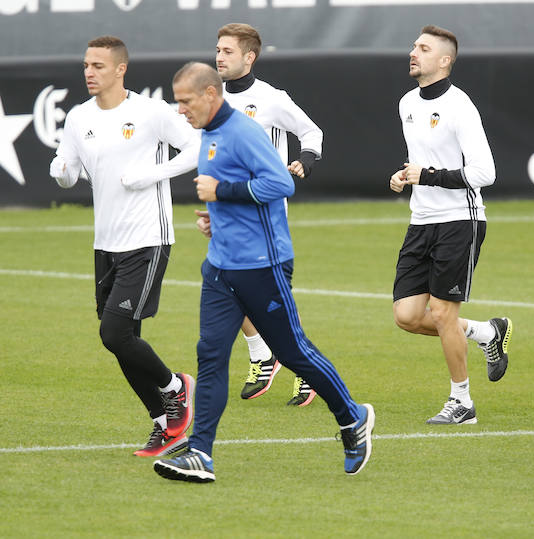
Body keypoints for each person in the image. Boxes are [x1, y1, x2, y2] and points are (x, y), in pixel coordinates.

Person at [153, 63, 373, 482]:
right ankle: (200, 453)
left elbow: (280, 184)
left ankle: (352, 417)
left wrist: (223, 193)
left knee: (293, 353)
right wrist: (216, 217)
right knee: (211, 355)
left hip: (262, 267)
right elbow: (235, 196)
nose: (180, 110)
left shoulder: (243, 132)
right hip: (220, 266)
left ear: (210, 95)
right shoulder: (209, 134)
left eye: (185, 101)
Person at [49, 36, 198, 458]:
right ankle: (164, 424)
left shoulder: (150, 112)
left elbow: (197, 148)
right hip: (106, 242)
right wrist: (61, 171)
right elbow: (69, 171)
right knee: (119, 337)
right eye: (85, 65)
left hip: (148, 238)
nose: (89, 72)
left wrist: (153, 173)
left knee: (114, 331)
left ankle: (176, 388)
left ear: (120, 69)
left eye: (97, 65)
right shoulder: (78, 118)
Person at [389, 25, 513, 425]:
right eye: (414, 47)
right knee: (407, 316)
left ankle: (462, 402)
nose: (413, 53)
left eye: (423, 49)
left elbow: (485, 172)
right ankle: (486, 333)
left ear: (445, 61)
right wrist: (405, 176)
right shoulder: (407, 102)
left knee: (443, 313)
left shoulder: (461, 106)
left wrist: (428, 176)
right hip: (421, 220)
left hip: (461, 219)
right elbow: (421, 162)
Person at [203, 22, 323, 406]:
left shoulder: (271, 98)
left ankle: (306, 370)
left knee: (271, 295)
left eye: (228, 51)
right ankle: (262, 355)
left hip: (265, 213)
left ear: (249, 57)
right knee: (228, 284)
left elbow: (312, 133)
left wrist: (303, 160)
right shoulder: (213, 97)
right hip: (226, 211)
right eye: (218, 50)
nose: (219, 57)